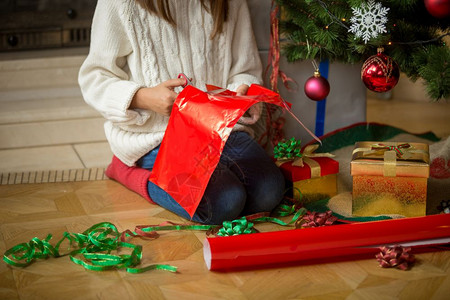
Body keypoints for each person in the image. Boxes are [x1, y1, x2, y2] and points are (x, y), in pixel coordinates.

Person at [78, 0, 285, 225]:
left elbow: (244, 70)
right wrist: (144, 97)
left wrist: (243, 93)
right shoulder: (120, 3)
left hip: (219, 130)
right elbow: (94, 78)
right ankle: (129, 173)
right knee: (224, 202)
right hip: (158, 138)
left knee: (269, 191)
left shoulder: (230, 2)